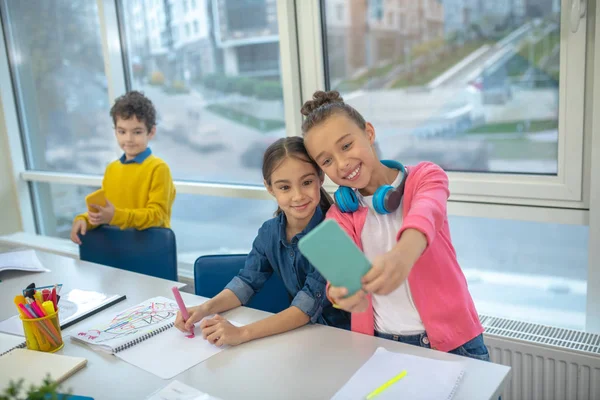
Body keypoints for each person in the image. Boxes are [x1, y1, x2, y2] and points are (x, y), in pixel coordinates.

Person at [301, 90, 489, 361]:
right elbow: (337, 281)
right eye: (327, 160)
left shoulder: (425, 177)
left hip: (454, 343)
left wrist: (402, 256)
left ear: (368, 132)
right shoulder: (339, 216)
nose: (342, 164)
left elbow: (426, 215)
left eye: (346, 146)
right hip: (383, 347)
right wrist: (340, 294)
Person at [175, 137, 350, 347]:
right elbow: (246, 282)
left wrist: (241, 333)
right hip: (301, 339)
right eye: (285, 187)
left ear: (320, 178)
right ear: (269, 188)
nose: (298, 196)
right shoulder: (269, 232)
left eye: (306, 182)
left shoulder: (334, 232)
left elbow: (305, 309)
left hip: (343, 340)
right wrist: (204, 309)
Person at [70, 91, 175, 244]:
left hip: (149, 250)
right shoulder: (111, 169)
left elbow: (157, 216)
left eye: (137, 132)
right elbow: (106, 213)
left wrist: (115, 216)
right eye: (122, 131)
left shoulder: (158, 169)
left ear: (151, 132)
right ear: (115, 131)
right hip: (117, 248)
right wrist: (84, 219)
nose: (129, 139)